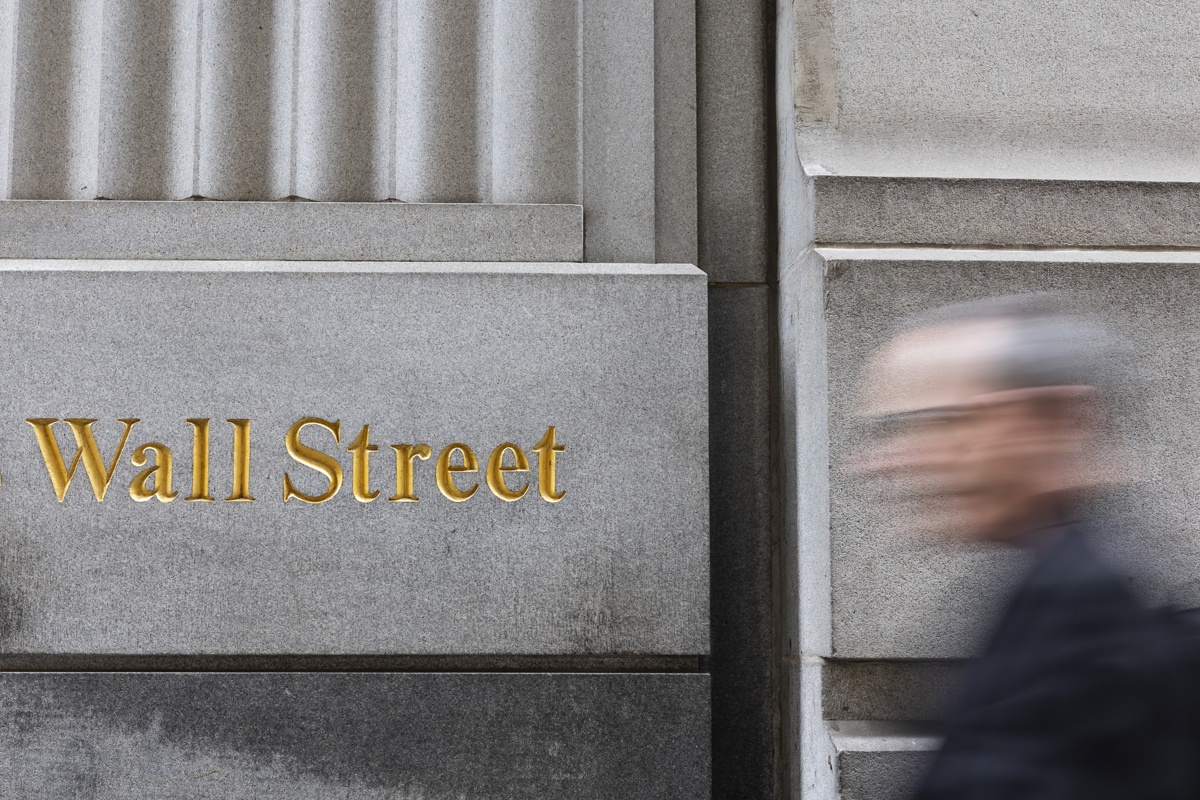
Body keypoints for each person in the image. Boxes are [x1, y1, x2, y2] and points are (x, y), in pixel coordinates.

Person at [851, 294, 1182, 800]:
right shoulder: (1058, 584)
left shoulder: (1089, 608)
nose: (893, 460)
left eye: (944, 421)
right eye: (893, 430)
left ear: (1054, 418)